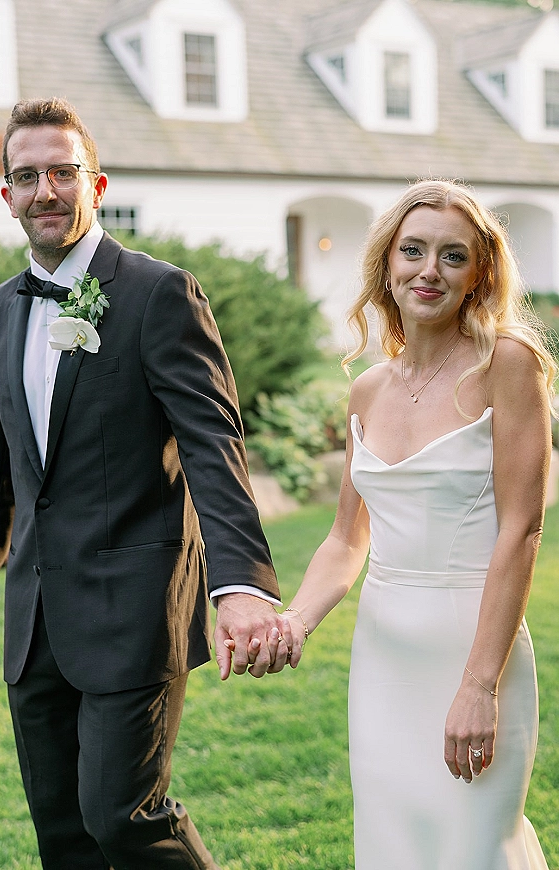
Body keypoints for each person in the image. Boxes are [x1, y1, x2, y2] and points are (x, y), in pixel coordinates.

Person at [0, 97, 294, 870]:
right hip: (37, 616)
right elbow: (1, 459)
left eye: (63, 172)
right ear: (6, 195)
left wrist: (241, 584)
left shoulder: (160, 293)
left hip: (134, 606)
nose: (46, 190)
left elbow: (213, 444)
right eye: (28, 176)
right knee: (62, 832)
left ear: (97, 183)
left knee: (122, 817)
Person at [282, 180, 553, 868]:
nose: (429, 270)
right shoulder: (368, 389)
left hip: (473, 652)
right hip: (382, 662)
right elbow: (347, 539)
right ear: (387, 265)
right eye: (413, 250)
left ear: (478, 276)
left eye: (452, 256)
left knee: (472, 848)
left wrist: (479, 685)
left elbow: (520, 532)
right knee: (393, 847)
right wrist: (296, 621)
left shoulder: (509, 366)